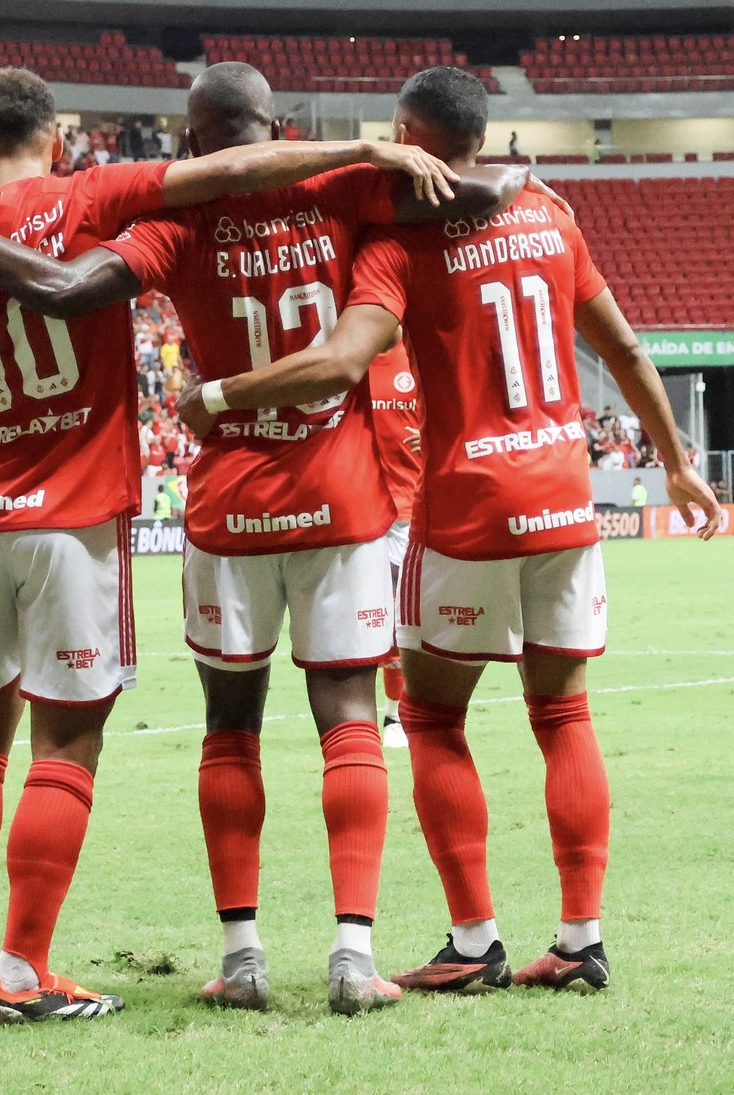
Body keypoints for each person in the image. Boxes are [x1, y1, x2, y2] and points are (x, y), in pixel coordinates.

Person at [0, 62, 532, 1014]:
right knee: (348, 719)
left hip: (222, 504)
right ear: (278, 125)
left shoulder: (176, 220)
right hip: (339, 498)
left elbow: (72, 288)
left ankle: (240, 957)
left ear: (193, 148)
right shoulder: (341, 190)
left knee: (227, 730)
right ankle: (351, 956)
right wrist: (449, 167)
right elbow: (488, 190)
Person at [175, 66, 722, 996]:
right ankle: (581, 937)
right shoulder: (550, 208)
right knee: (564, 713)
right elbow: (625, 349)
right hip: (564, 494)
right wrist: (676, 460)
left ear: (407, 133)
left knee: (428, 715)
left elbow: (346, 357)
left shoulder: (400, 238)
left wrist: (219, 395)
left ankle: (474, 941)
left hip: (466, 503)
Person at [368, 333, 421, 749]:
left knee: (404, 624)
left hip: (411, 510)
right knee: (367, 619)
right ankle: (369, 717)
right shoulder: (354, 357)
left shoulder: (420, 356)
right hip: (361, 510)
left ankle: (396, 714)